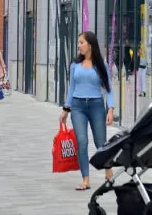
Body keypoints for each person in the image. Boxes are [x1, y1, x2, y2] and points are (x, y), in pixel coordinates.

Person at [58, 31, 114, 191]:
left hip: (96, 105)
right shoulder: (74, 65)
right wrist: (65, 110)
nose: (78, 45)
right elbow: (72, 88)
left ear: (90, 45)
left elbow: (108, 89)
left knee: (101, 143)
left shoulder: (100, 65)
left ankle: (108, 169)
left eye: (81, 42)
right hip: (78, 107)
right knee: (82, 142)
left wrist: (110, 109)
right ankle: (85, 180)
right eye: (78, 42)